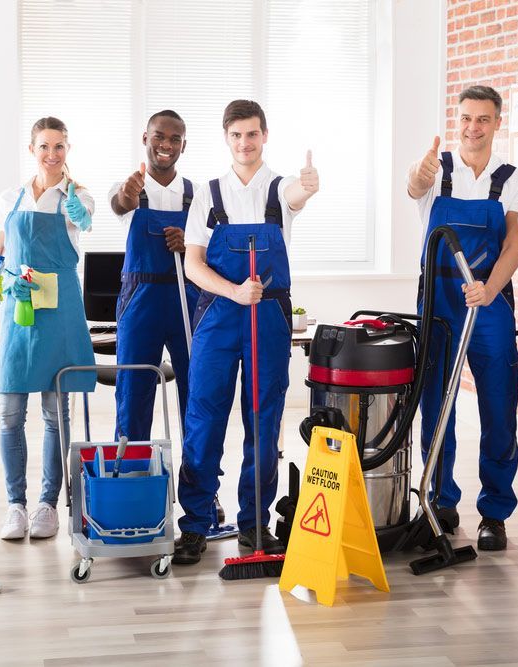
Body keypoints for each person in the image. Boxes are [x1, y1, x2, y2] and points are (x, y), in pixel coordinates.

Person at [173, 99, 319, 565]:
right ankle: (195, 525)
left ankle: (254, 524)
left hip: (268, 317)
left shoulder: (280, 190)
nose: (244, 142)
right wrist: (235, 292)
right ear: (226, 137)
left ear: (264, 135)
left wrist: (310, 187)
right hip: (220, 314)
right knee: (204, 419)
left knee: (263, 420)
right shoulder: (208, 193)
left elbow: (298, 193)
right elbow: (193, 264)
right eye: (236, 135)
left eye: (252, 134)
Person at [406, 85, 518, 551]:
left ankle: (494, 513)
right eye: (465, 118)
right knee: (436, 403)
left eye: (482, 119)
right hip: (438, 301)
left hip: (488, 298)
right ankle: (439, 501)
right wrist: (418, 175)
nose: (472, 127)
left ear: (497, 122)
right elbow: (414, 186)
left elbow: (515, 242)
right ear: (456, 119)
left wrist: (490, 289)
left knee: (498, 404)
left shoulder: (516, 179)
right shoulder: (437, 169)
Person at [0, 116, 97, 541]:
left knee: (56, 413)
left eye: (59, 147)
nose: (52, 154)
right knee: (9, 413)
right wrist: (2, 285)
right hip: (22, 309)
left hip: (61, 310)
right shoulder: (9, 198)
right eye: (44, 146)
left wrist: (77, 210)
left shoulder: (79, 195)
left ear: (67, 150)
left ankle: (48, 505)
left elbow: (85, 222)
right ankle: (15, 505)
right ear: (31, 149)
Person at [109, 109, 197, 442]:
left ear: (183, 146)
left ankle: (198, 486)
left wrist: (187, 244)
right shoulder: (129, 188)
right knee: (133, 392)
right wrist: (128, 195)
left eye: (175, 139)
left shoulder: (197, 194)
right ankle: (132, 479)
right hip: (140, 302)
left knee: (196, 390)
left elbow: (210, 251)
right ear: (145, 138)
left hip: (187, 301)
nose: (166, 144)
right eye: (159, 136)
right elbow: (121, 204)